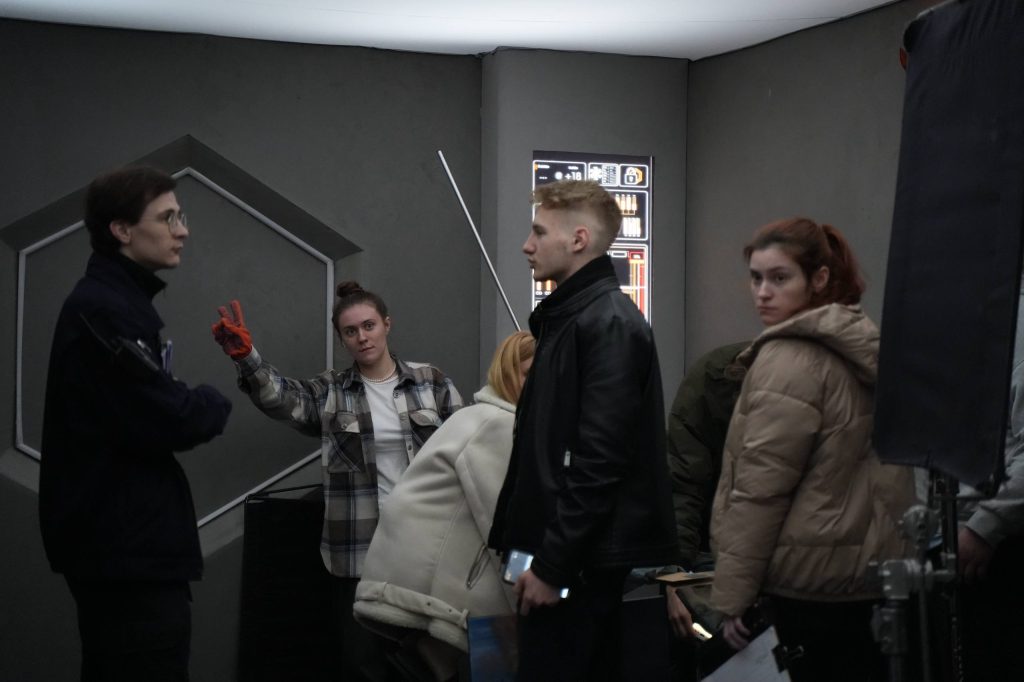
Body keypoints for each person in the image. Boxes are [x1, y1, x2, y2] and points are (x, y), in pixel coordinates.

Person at [39, 165, 233, 682]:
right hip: (122, 552)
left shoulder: (116, 304)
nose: (182, 230)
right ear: (122, 229)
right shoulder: (104, 310)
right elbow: (170, 416)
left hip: (126, 546)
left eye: (180, 216)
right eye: (167, 218)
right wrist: (211, 401)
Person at [211, 283, 462, 681]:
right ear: (342, 339)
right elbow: (283, 398)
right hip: (358, 552)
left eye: (369, 326)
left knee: (430, 664)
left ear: (386, 324)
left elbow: (464, 452)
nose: (362, 337)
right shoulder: (331, 391)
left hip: (423, 549)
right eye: (351, 331)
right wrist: (247, 359)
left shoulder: (430, 382)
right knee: (364, 664)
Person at [709, 217, 916, 682]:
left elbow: (761, 490)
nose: (763, 293)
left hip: (803, 590)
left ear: (819, 279)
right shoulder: (859, 341)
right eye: (756, 278)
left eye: (780, 278)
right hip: (867, 584)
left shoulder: (790, 360)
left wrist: (732, 598)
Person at [487, 179, 677, 681]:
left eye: (538, 232)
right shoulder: (571, 319)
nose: (527, 246)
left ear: (578, 240)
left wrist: (554, 566)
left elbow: (599, 461)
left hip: (579, 565)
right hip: (568, 555)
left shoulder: (607, 322)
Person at [353, 331, 535, 681]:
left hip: (412, 578)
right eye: (529, 373)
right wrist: (531, 598)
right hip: (435, 588)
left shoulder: (483, 416)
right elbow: (506, 526)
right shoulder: (500, 425)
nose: (539, 383)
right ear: (507, 373)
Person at [955, 282, 1024, 682]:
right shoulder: (972, 311)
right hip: (966, 534)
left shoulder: (1013, 317)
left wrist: (986, 525)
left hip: (999, 546)